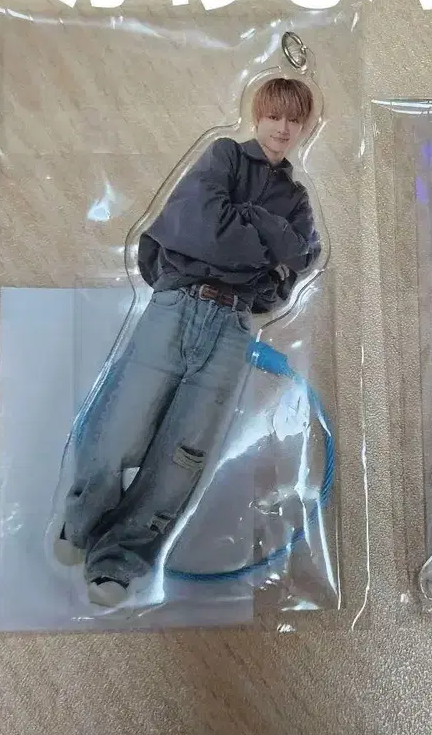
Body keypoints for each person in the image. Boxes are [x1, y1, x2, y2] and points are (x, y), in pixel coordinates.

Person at [54, 77, 321, 607]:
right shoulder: (225, 155)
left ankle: (118, 562)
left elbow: (298, 261)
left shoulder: (297, 198)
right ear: (257, 115)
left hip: (233, 327)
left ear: (305, 127)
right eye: (274, 116)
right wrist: (265, 240)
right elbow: (198, 223)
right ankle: (81, 521)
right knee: (121, 424)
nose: (283, 128)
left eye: (294, 120)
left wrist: (247, 229)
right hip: (177, 305)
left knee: (185, 456)